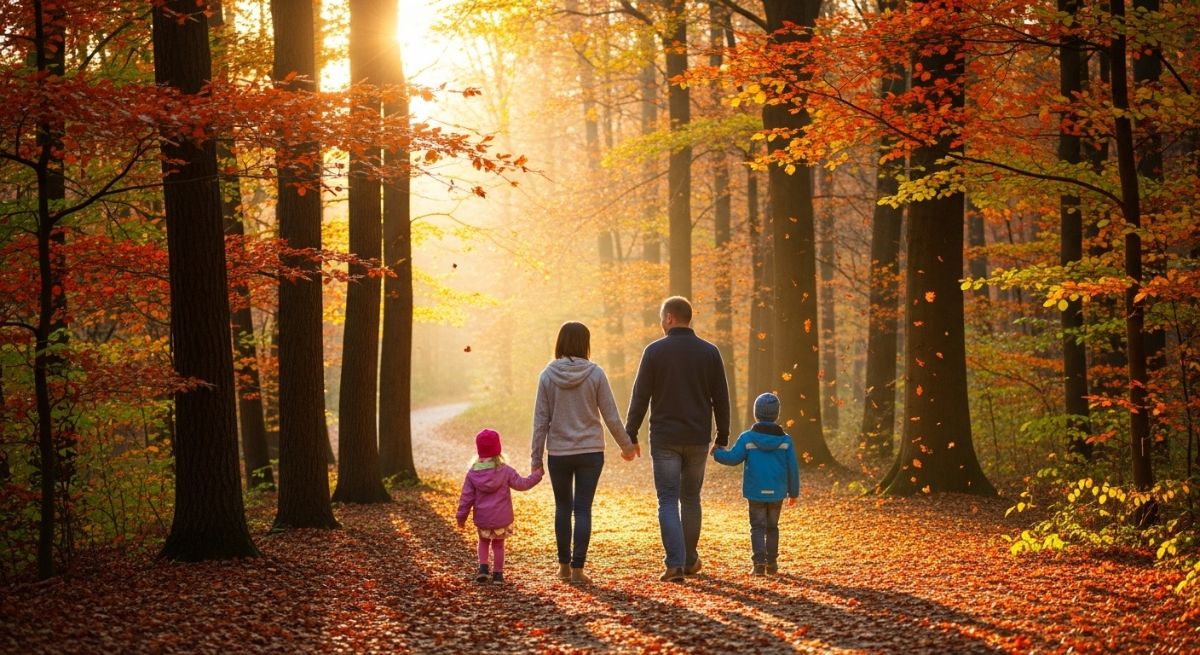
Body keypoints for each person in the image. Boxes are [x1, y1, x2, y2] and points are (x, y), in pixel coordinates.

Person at [625, 296, 730, 582]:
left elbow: (640, 396)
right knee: (691, 498)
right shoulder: (709, 352)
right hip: (697, 437)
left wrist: (630, 433)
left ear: (670, 318)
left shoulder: (654, 352)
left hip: (665, 439)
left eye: (662, 317)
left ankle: (675, 564)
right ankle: (689, 559)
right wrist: (722, 435)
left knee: (668, 500)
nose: (661, 322)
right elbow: (721, 397)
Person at [531, 321, 639, 585]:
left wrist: (536, 459)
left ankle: (563, 568)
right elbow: (611, 416)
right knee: (582, 508)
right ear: (585, 343)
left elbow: (540, 420)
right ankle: (579, 570)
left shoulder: (547, 375)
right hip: (590, 451)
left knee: (562, 507)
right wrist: (626, 446)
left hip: (558, 452)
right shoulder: (595, 374)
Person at [713, 392, 800, 575]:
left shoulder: (747, 438)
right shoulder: (786, 440)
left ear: (756, 413)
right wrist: (793, 492)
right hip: (777, 492)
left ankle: (758, 565)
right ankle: (772, 564)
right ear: (776, 414)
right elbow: (793, 468)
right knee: (772, 527)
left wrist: (716, 453)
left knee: (757, 527)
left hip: (755, 491)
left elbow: (733, 458)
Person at [456, 428, 543, 583]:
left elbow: (466, 498)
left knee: (483, 541)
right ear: (498, 449)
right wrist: (537, 475)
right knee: (498, 545)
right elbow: (522, 484)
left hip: (483, 517)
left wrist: (461, 517)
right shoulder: (505, 471)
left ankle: (483, 568)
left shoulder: (472, 473)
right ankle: (498, 575)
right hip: (501, 518)